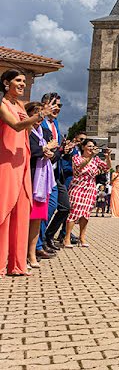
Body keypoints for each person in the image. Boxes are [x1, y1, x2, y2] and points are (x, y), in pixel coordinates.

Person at [0, 70, 46, 276]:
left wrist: (34, 121)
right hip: (7, 161)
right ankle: (1, 263)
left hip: (23, 161)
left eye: (24, 81)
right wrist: (37, 117)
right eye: (18, 81)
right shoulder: (2, 104)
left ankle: (17, 264)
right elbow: (17, 126)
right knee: (4, 210)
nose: (22, 84)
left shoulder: (20, 105)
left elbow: (26, 130)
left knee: (21, 212)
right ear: (5, 82)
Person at [63, 139, 110, 247]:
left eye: (93, 146)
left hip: (90, 188)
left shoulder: (96, 160)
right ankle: (67, 238)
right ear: (83, 147)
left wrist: (107, 157)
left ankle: (82, 237)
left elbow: (107, 168)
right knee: (74, 212)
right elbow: (80, 167)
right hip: (78, 187)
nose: (91, 148)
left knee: (85, 214)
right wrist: (90, 157)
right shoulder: (76, 158)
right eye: (89, 146)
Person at [27, 101, 56, 268]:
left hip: (42, 180)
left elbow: (53, 150)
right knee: (26, 219)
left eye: (41, 113)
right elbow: (30, 151)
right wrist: (45, 149)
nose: (39, 116)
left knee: (37, 219)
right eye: (36, 113)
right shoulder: (26, 131)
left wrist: (50, 152)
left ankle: (32, 254)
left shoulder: (43, 132)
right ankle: (23, 253)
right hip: (30, 177)